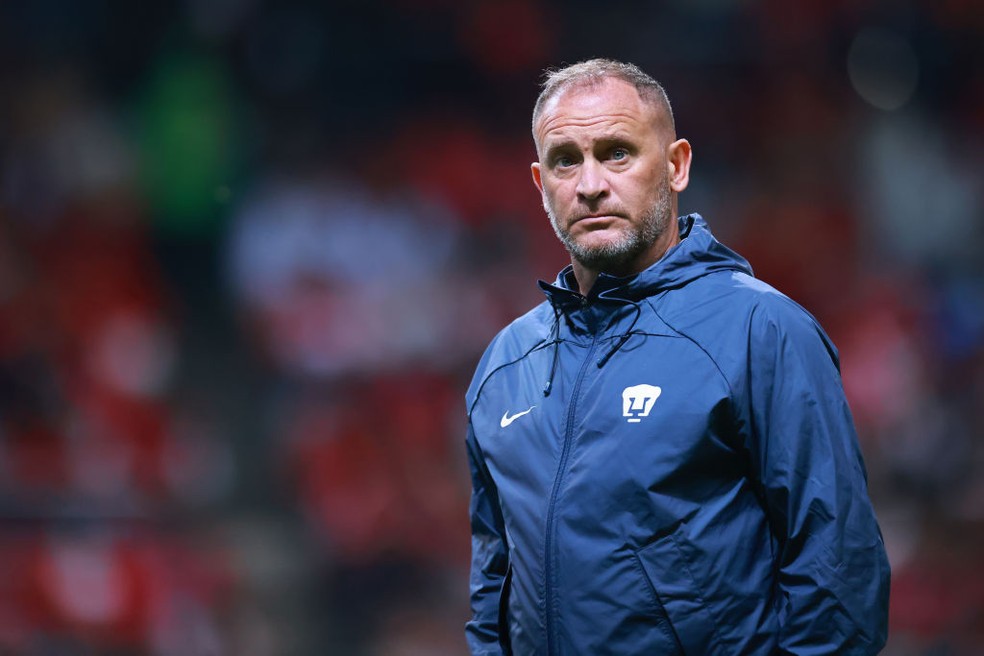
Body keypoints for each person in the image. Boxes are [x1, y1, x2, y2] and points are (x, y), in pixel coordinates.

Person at [464, 59, 890, 655]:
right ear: (540, 183)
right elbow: (493, 594)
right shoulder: (505, 366)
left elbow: (839, 578)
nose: (590, 184)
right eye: (566, 160)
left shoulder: (759, 330)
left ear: (676, 165)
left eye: (617, 153)